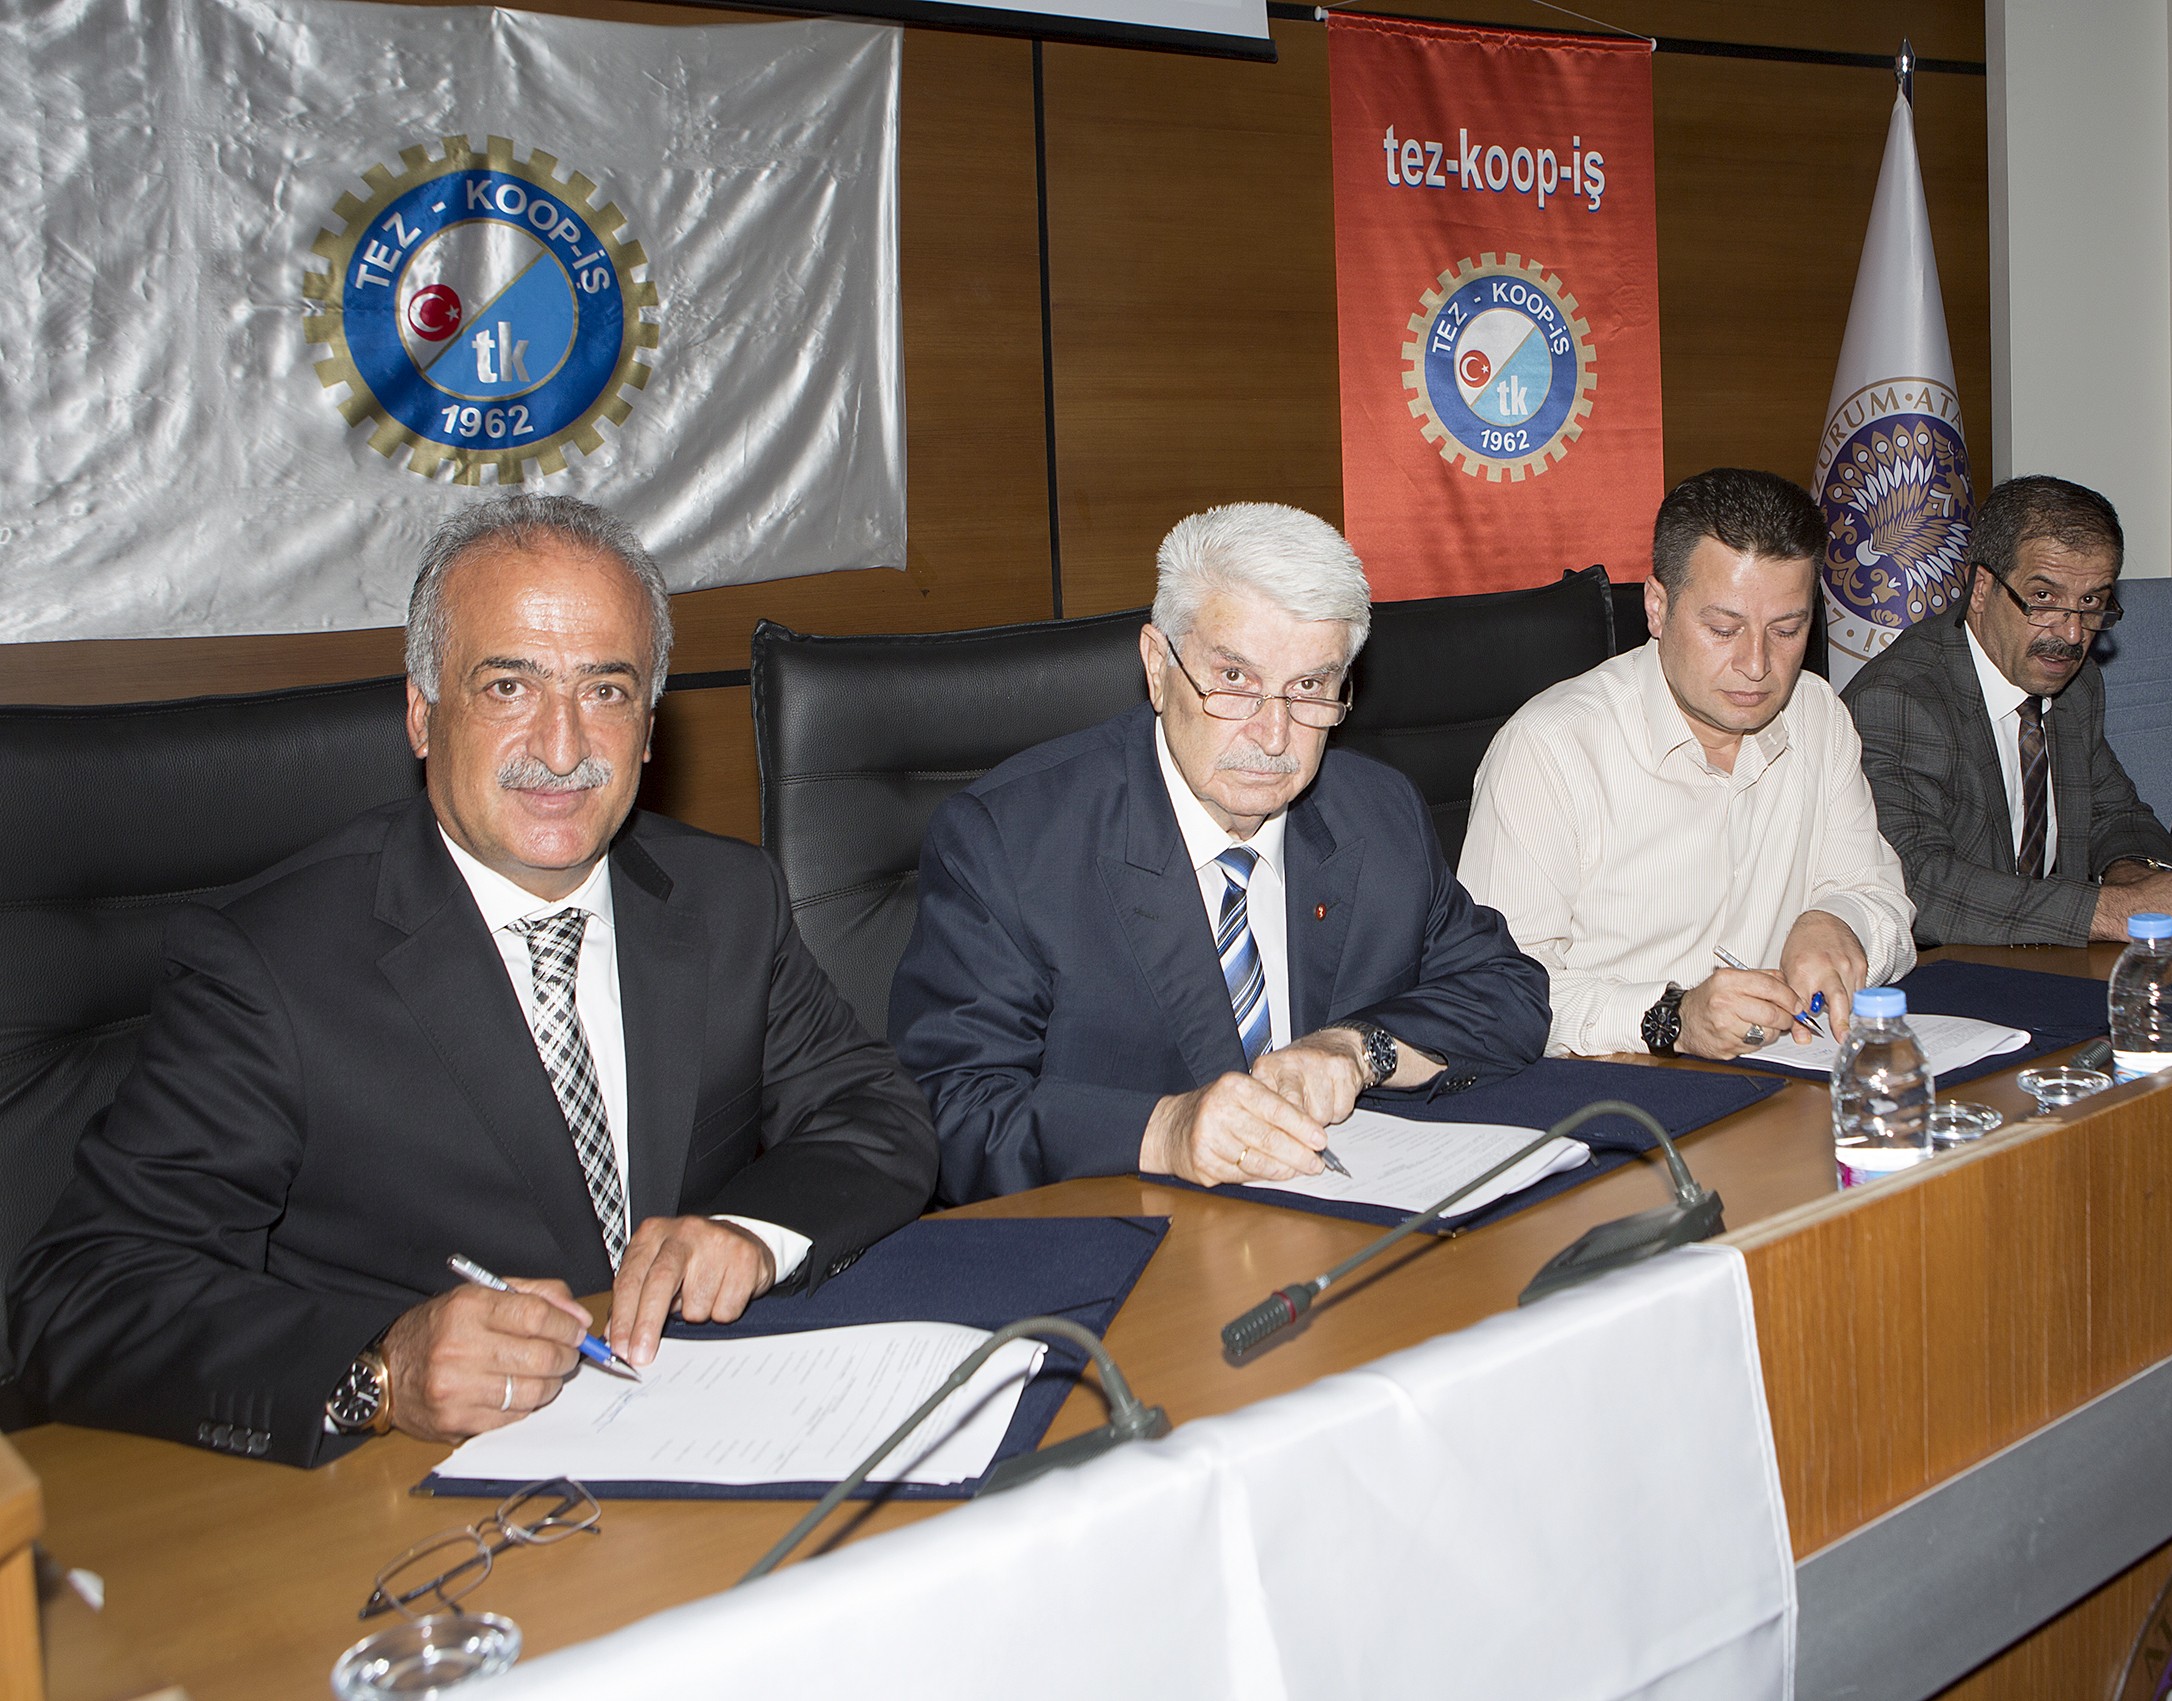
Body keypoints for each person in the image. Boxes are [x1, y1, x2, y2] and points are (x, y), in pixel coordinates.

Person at [8, 496, 937, 1465]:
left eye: (606, 690)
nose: (565, 747)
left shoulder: (723, 894)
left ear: (650, 728)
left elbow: (872, 1113)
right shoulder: (269, 960)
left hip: (700, 1432)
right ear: (423, 713)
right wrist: (381, 1368)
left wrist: (748, 1233)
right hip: (411, 1488)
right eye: (509, 687)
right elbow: (85, 1290)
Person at [888, 502, 1549, 1202]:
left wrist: (1358, 1049)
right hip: (1127, 1254)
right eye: (1234, 679)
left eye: (1309, 688)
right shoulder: (1010, 841)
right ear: (1157, 665)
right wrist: (1162, 1130)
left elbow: (1508, 992)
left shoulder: (1374, 811)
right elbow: (945, 1112)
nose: (1272, 735)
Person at [1459, 467, 1916, 1061]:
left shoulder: (1816, 717)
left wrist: (1839, 921)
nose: (1756, 664)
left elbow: (1883, 903)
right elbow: (1493, 994)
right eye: (1724, 629)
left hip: (1781, 1080)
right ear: (1657, 607)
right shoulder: (1550, 749)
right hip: (1610, 1097)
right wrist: (1671, 1018)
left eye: (1787, 629)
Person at [1842, 475, 2172, 948]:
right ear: (1981, 588)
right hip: (1942, 976)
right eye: (2043, 599)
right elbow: (1918, 886)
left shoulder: (2075, 684)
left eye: (2091, 603)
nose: (2070, 634)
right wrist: (2112, 910)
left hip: (2048, 964)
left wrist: (2133, 875)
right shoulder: (1899, 700)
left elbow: (2115, 814)